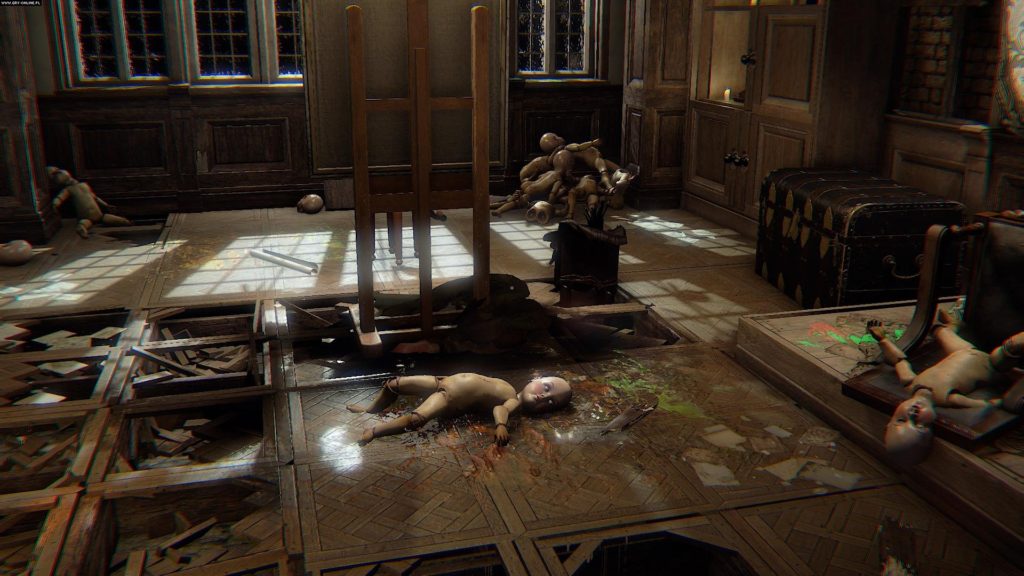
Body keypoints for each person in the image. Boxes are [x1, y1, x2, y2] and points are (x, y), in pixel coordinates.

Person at [869, 311, 1024, 465]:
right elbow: (981, 404)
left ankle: (953, 325)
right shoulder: (946, 398)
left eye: (902, 419)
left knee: (940, 331)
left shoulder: (910, 383)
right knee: (1011, 346)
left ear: (889, 421)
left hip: (961, 351)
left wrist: (882, 339)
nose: (913, 414)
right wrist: (998, 403)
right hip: (989, 364)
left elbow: (899, 361)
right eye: (919, 425)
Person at [347, 373, 572, 446]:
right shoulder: (508, 385)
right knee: (393, 384)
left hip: (450, 397)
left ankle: (375, 431)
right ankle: (368, 410)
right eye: (546, 388)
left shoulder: (512, 400)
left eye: (551, 401)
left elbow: (500, 409)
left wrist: (501, 425)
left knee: (417, 419)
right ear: (536, 378)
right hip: (442, 381)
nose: (544, 396)